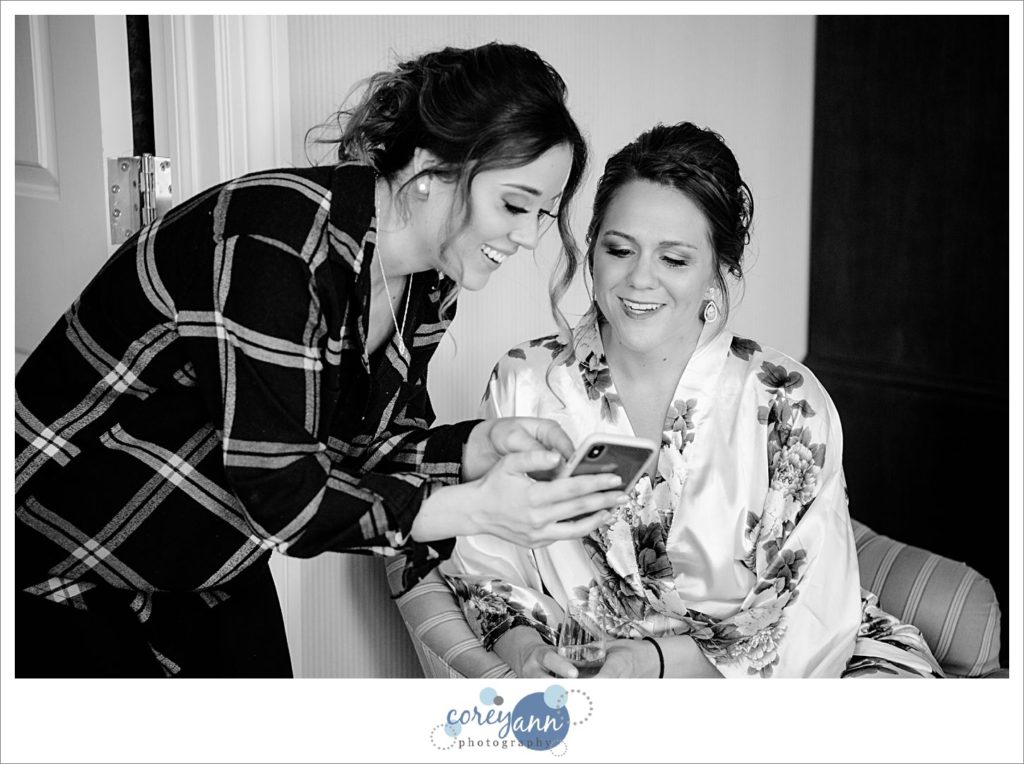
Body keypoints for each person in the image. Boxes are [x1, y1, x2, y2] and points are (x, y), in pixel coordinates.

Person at [13, 42, 631, 678]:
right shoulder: (274, 242)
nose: (528, 236)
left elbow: (369, 450)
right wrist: (475, 508)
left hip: (202, 555)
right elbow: (283, 490)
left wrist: (480, 446)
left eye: (544, 214)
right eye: (513, 204)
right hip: (60, 555)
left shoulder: (428, 281)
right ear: (429, 171)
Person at [440, 122, 944, 678]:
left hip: (791, 681)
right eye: (619, 249)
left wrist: (650, 664)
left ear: (717, 270)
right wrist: (528, 653)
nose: (639, 281)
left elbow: (810, 614)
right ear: (591, 251)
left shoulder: (787, 402)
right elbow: (485, 563)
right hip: (596, 678)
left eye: (674, 260)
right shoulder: (527, 383)